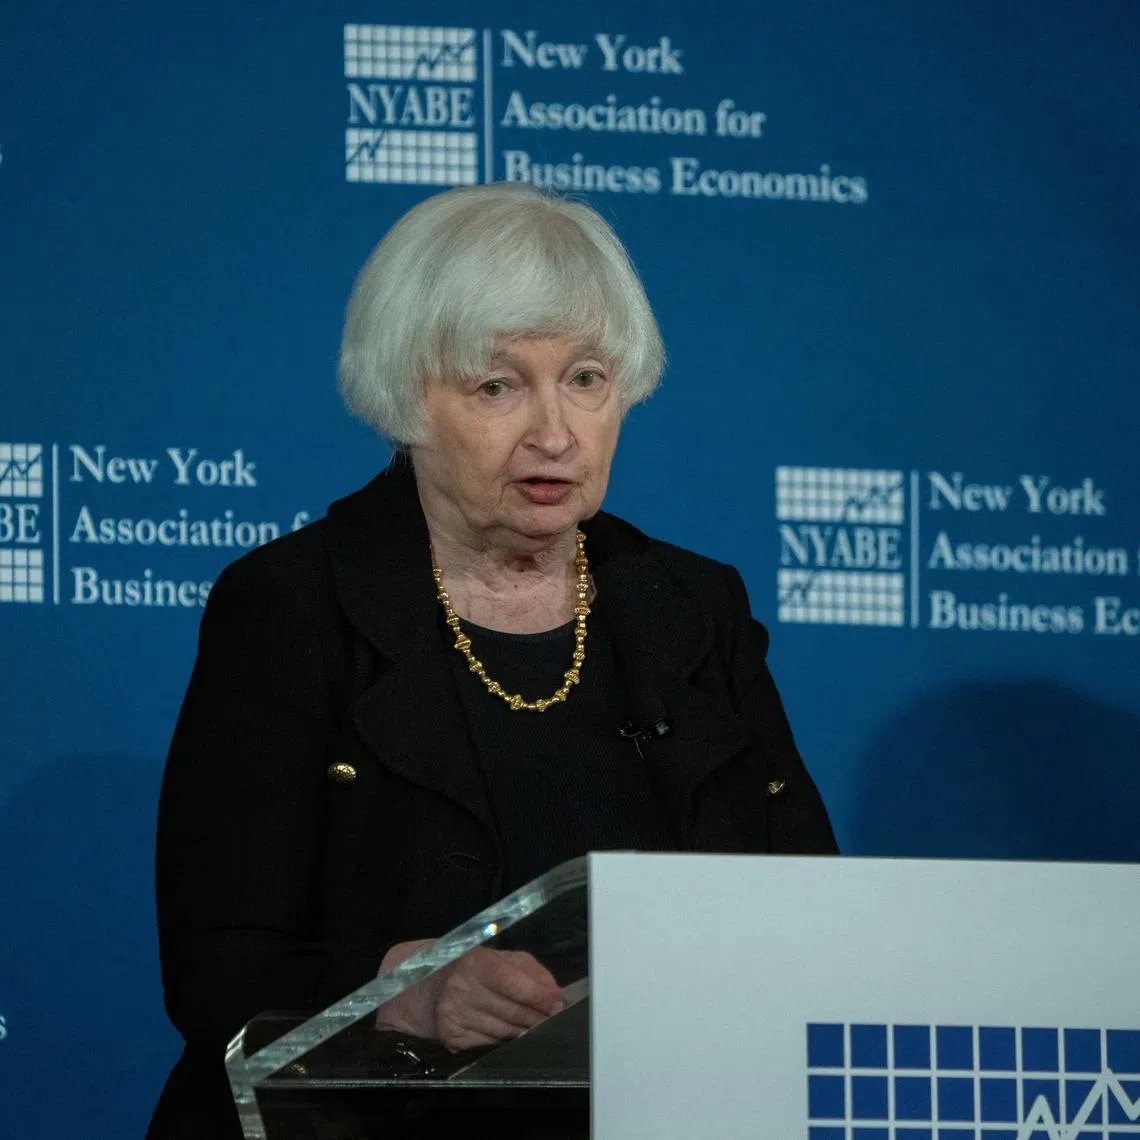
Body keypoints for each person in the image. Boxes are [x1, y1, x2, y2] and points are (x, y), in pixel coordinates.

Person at [146, 182, 836, 1138]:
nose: (555, 433)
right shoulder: (293, 606)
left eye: (587, 378)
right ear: (405, 399)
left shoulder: (691, 605)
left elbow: (809, 907)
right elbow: (216, 965)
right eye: (496, 385)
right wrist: (402, 991)